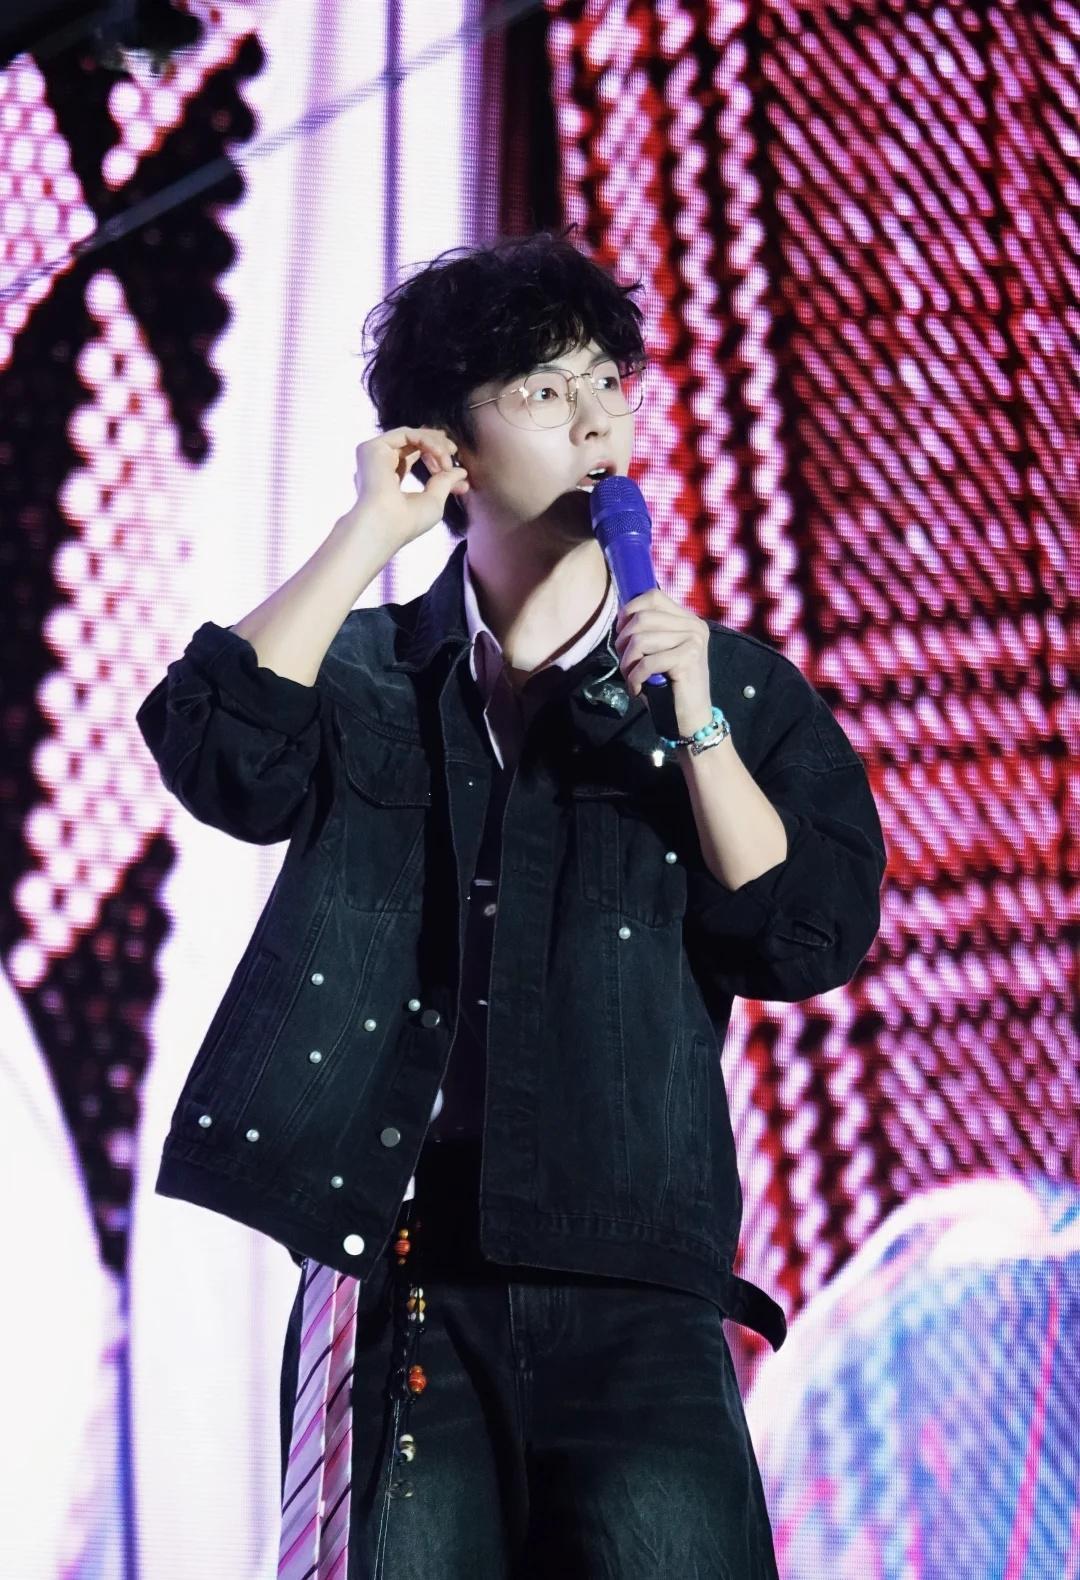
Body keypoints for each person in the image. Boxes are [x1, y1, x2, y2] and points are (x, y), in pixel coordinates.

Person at [136, 230, 886, 1578]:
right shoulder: (362, 670)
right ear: (451, 446)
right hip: (403, 1280)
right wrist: (369, 532)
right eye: (545, 390)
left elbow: (805, 933)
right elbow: (221, 755)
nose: (599, 420)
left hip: (638, 1287)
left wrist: (697, 728)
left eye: (608, 381)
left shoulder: (732, 686)